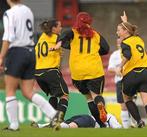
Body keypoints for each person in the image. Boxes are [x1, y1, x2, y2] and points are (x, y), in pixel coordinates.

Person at [0, 0, 61, 131]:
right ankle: (53, 114)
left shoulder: (9, 13)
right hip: (30, 52)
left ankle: (14, 125)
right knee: (28, 92)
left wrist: (1, 57)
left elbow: (8, 37)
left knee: (10, 90)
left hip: (17, 52)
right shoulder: (27, 11)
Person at [50, 12, 110, 127]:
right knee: (96, 96)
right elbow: (106, 49)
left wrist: (59, 45)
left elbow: (64, 36)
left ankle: (101, 125)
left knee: (88, 99)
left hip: (78, 73)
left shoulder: (72, 32)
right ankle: (101, 106)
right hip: (94, 70)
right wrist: (96, 51)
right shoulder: (96, 35)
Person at [116, 11, 147, 128]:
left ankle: (139, 121)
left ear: (125, 31)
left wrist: (120, 66)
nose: (117, 32)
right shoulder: (138, 39)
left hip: (131, 74)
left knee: (127, 98)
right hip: (145, 73)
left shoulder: (125, 43)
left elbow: (127, 55)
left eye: (119, 30)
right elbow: (131, 32)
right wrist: (125, 22)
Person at [35, 19, 69, 123]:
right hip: (50, 70)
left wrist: (58, 53)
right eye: (59, 26)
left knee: (53, 95)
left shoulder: (42, 38)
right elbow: (62, 43)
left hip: (38, 73)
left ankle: (52, 120)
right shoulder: (57, 37)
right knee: (64, 95)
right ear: (54, 28)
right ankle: (59, 120)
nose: (61, 28)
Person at [108, 38, 132, 129]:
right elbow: (110, 68)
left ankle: (133, 122)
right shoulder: (115, 54)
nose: (120, 43)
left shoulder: (130, 52)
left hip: (130, 80)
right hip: (119, 80)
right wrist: (117, 70)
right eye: (118, 42)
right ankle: (126, 126)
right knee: (122, 103)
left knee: (130, 102)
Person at [31, 113, 122, 129]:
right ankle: (56, 126)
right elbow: (117, 127)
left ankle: (40, 126)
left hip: (84, 116)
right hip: (89, 121)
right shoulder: (110, 116)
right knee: (71, 126)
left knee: (65, 124)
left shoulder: (105, 115)